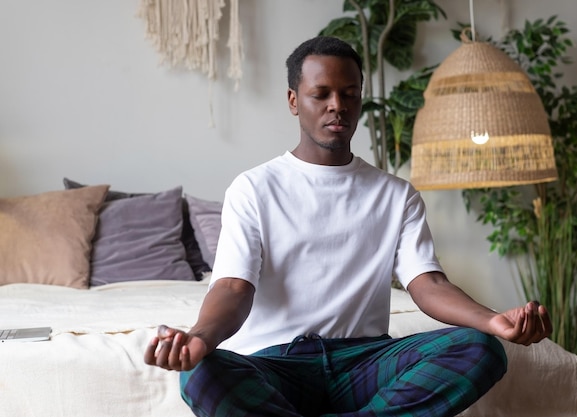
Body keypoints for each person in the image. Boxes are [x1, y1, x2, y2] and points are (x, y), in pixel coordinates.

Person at [144, 36, 552, 417]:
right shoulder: (254, 188)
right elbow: (233, 288)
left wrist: (492, 320)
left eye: (350, 94)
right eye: (320, 94)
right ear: (293, 100)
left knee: (480, 348)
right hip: (274, 363)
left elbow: (429, 285)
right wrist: (199, 338)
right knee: (200, 372)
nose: (337, 105)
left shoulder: (396, 194)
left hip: (365, 359)